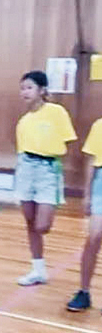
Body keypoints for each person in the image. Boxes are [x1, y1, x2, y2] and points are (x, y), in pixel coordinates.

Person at [14, 70, 77, 286]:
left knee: (43, 225)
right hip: (25, 168)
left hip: (48, 169)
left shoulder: (56, 112)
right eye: (22, 88)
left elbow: (68, 141)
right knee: (30, 222)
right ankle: (38, 269)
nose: (25, 92)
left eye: (29, 87)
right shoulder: (23, 121)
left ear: (42, 90)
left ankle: (38, 267)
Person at [66, 116, 102, 311]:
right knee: (94, 237)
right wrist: (87, 194)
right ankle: (84, 291)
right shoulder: (99, 125)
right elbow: (91, 162)